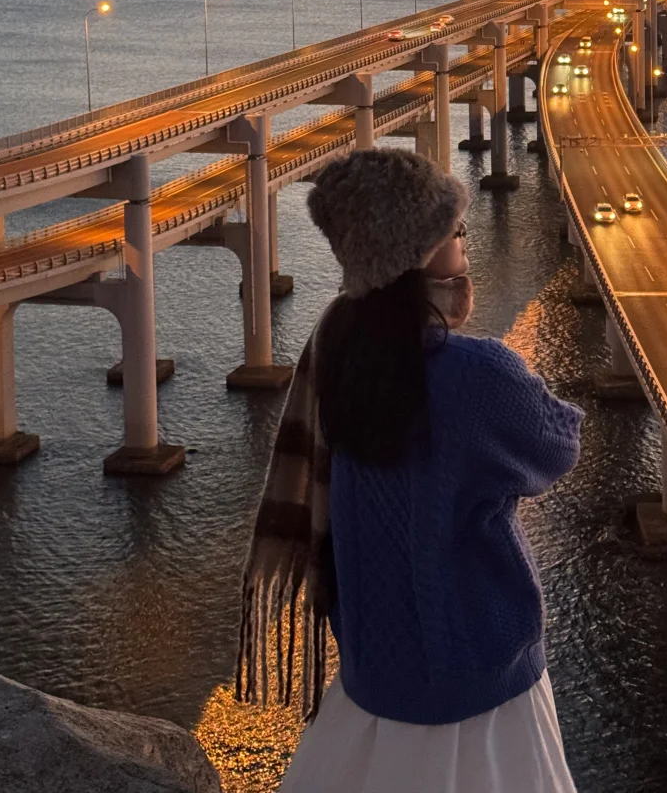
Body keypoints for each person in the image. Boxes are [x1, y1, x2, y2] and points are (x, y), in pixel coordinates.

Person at [236, 148, 583, 792]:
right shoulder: (476, 374)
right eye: (452, 230)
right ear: (416, 253)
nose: (464, 239)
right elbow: (558, 445)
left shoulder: (336, 347)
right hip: (478, 675)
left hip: (374, 674)